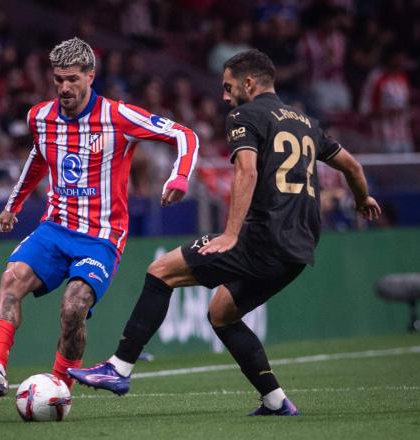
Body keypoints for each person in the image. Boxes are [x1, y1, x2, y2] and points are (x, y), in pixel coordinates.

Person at [68, 49, 381, 416]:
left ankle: (118, 368)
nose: (225, 96)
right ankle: (276, 401)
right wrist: (363, 199)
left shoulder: (244, 116)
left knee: (160, 272)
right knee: (222, 313)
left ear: (249, 83)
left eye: (229, 87)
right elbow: (352, 165)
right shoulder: (306, 122)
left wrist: (232, 234)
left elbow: (246, 172)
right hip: (300, 248)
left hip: (262, 237)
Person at [0, 38, 199, 398]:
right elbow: (39, 156)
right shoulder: (40, 116)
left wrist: (179, 177)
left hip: (101, 236)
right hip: (55, 228)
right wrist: (14, 204)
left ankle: (59, 388)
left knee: (73, 306)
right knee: (11, 279)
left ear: (90, 76)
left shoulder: (118, 116)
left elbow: (184, 134)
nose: (64, 87)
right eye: (58, 80)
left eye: (72, 79)